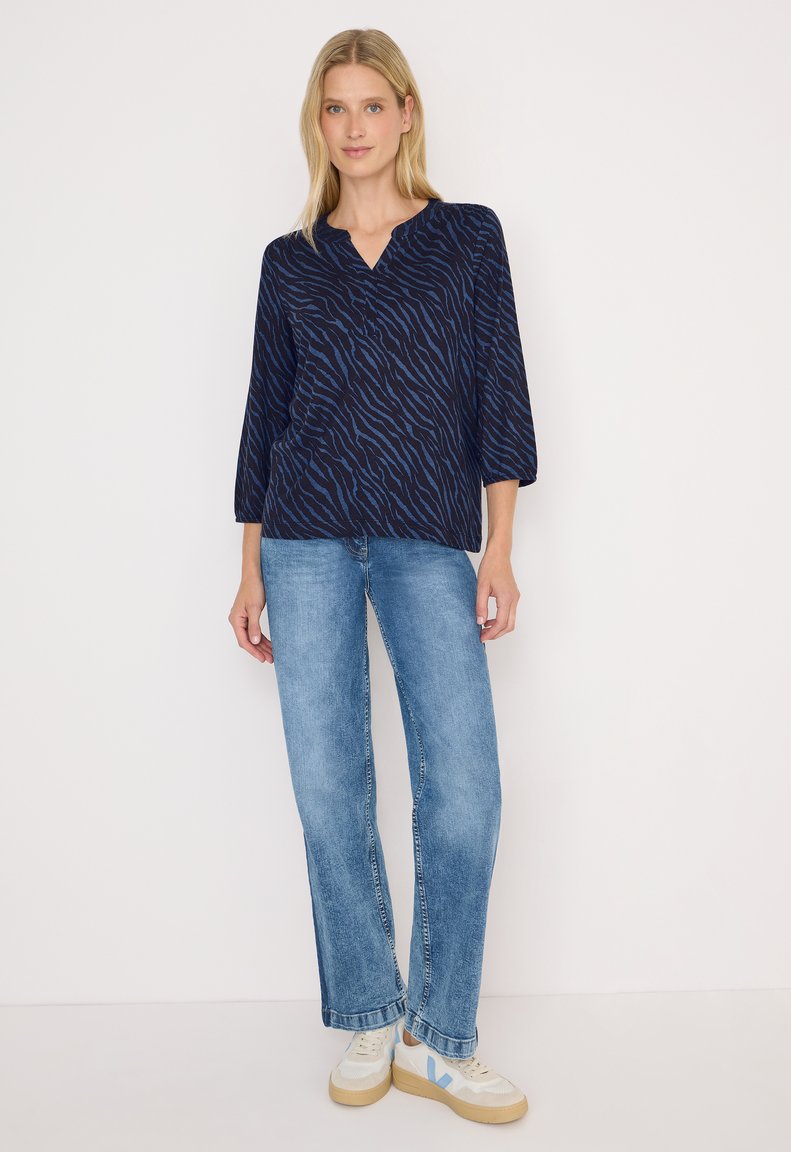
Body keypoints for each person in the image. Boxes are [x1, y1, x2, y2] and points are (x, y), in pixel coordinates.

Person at [228, 28, 538, 1126]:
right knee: (329, 791)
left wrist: (498, 547)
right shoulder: (290, 261)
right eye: (335, 108)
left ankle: (436, 1038)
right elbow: (264, 420)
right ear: (317, 125)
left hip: (425, 541)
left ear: (406, 113)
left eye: (371, 104)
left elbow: (499, 392)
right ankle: (368, 1009)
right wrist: (249, 567)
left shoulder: (465, 239)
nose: (353, 126)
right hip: (304, 541)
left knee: (465, 793)